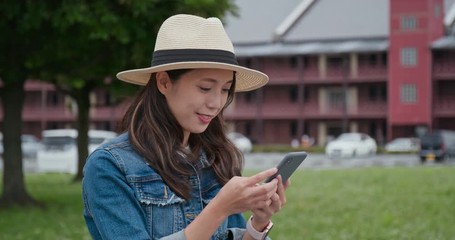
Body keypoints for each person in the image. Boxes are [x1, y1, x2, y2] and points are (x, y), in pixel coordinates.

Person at [82, 14, 289, 240]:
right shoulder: (110, 165)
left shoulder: (214, 156)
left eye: (225, 89)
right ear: (164, 82)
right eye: (205, 88)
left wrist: (258, 223)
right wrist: (218, 209)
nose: (216, 103)